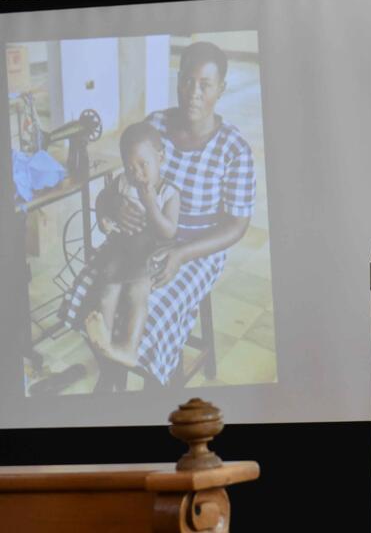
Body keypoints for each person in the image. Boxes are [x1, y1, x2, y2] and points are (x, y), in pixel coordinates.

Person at [62, 41, 256, 387]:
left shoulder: (234, 148)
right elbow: (120, 182)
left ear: (221, 90)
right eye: (186, 81)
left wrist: (181, 252)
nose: (193, 93)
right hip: (141, 241)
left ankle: (132, 384)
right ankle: (113, 376)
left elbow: (237, 225)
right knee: (92, 285)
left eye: (205, 85)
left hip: (196, 249)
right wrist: (112, 206)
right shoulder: (156, 126)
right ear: (177, 80)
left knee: (151, 303)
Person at [83, 122, 180, 369]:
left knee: (137, 296)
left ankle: (129, 349)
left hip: (148, 254)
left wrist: (151, 206)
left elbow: (169, 231)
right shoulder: (123, 182)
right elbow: (106, 203)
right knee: (108, 289)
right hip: (121, 249)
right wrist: (105, 220)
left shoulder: (168, 192)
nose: (136, 173)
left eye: (143, 165)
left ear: (160, 157)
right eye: (129, 166)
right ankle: (103, 342)